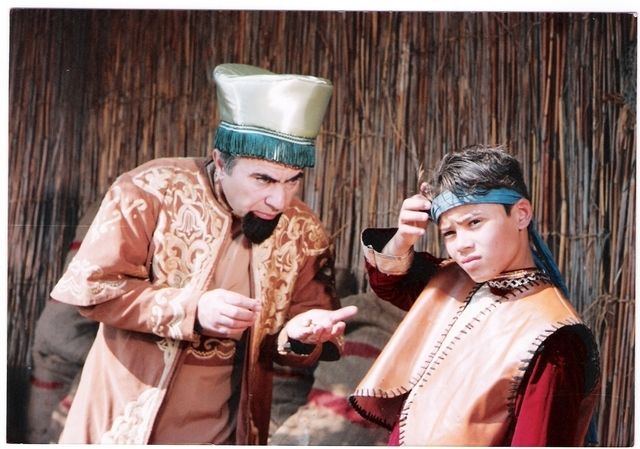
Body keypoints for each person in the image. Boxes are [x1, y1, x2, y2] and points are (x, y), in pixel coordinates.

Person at [49, 63, 357, 445]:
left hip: (228, 432)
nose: (279, 200)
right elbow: (94, 289)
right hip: (125, 423)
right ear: (221, 160)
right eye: (263, 179)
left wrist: (298, 336)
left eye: (293, 180)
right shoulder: (149, 190)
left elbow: (305, 328)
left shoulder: (303, 229)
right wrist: (193, 309)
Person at [349, 145, 600, 446]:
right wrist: (403, 238)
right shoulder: (454, 282)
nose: (462, 244)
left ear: (521, 214)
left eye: (475, 223)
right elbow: (391, 282)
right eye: (450, 233)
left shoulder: (553, 337)